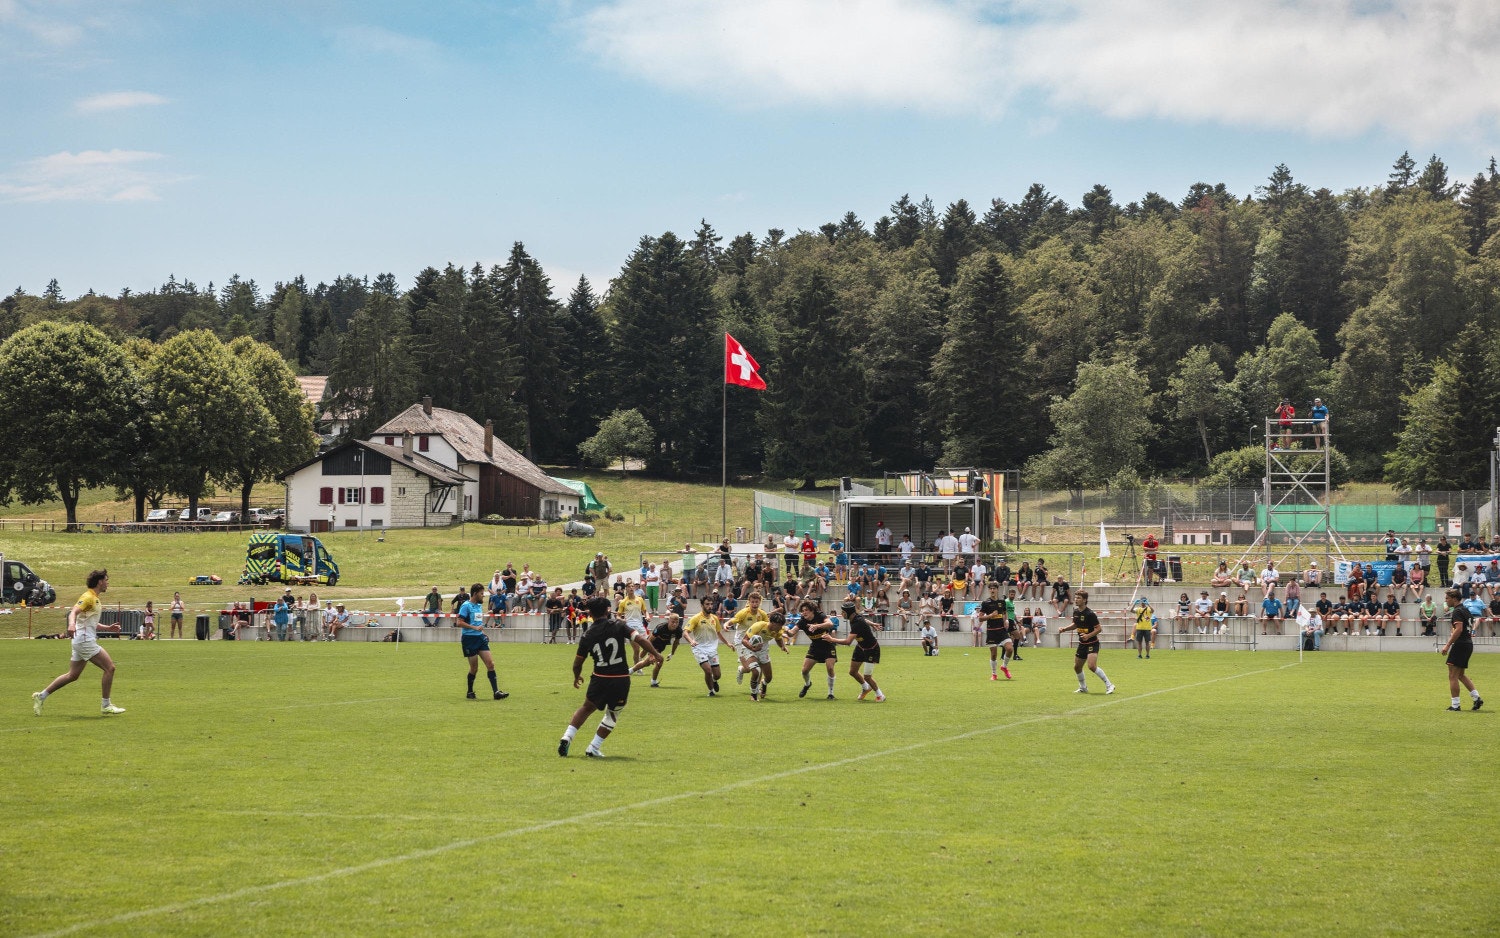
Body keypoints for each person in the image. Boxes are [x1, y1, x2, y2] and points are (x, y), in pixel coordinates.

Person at [559, 597, 660, 758]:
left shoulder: (587, 635)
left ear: (590, 614)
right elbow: (640, 639)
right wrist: (656, 654)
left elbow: (577, 663)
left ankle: (567, 736)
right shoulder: (618, 625)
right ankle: (593, 747)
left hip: (599, 678)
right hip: (620, 679)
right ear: (607, 610)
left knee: (586, 708)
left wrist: (576, 676)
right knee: (612, 714)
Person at [32, 570, 126, 716]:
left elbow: (90, 622)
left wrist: (109, 628)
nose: (108, 583)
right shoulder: (88, 597)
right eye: (106, 580)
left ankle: (41, 696)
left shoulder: (95, 598)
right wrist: (71, 625)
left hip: (81, 640)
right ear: (100, 581)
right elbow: (73, 612)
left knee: (72, 675)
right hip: (84, 641)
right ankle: (106, 705)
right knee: (110, 668)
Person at [456, 584, 508, 700]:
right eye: (481, 593)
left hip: (480, 638)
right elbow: (459, 622)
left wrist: (482, 633)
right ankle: (470, 691)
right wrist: (474, 628)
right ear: (475, 594)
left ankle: (496, 692)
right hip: (469, 639)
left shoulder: (479, 606)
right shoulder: (466, 606)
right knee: (474, 668)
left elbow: (478, 624)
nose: (483, 595)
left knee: (491, 664)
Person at [1058, 590, 1114, 694]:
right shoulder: (1076, 612)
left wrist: (1088, 636)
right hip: (1082, 644)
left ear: (1084, 600)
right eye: (1075, 597)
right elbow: (1075, 624)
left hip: (1092, 643)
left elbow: (1098, 629)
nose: (1076, 599)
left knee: (1091, 666)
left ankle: (1109, 685)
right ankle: (1083, 687)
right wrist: (1064, 629)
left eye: (1078, 598)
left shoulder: (1090, 614)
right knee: (1077, 667)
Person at [1440, 589, 1484, 712]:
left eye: (1447, 598)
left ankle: (1455, 705)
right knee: (1460, 675)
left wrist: (1448, 645)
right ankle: (1477, 698)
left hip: (1460, 644)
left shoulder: (1457, 611)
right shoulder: (1465, 610)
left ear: (1454, 598)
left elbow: (1458, 630)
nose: (1446, 600)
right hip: (1467, 643)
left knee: (1452, 675)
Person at [833, 601, 886, 701]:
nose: (842, 614)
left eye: (843, 612)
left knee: (867, 676)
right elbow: (864, 619)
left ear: (849, 613)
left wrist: (832, 640)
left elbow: (848, 641)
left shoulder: (857, 623)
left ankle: (880, 695)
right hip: (861, 647)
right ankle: (866, 688)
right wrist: (873, 624)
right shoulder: (855, 617)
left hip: (871, 649)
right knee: (852, 672)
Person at [683, 598, 732, 696]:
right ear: (702, 605)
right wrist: (691, 641)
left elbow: (718, 633)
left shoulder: (715, 618)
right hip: (699, 648)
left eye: (711, 604)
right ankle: (711, 691)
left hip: (712, 649)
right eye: (707, 604)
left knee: (717, 675)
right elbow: (685, 632)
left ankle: (714, 680)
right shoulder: (696, 618)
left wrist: (727, 643)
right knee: (708, 670)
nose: (710, 606)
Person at [794, 598, 841, 699]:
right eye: (802, 611)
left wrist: (817, 626)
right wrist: (785, 632)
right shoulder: (802, 621)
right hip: (815, 646)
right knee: (804, 671)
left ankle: (830, 693)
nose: (804, 612)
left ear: (812, 610)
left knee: (830, 668)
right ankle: (807, 684)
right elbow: (792, 631)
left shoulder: (820, 615)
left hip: (828, 644)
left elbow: (830, 624)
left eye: (806, 610)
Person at [739, 610, 790, 701]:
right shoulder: (759, 626)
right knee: (756, 671)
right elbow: (744, 640)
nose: (780, 628)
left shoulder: (778, 629)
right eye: (779, 625)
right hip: (749, 649)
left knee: (769, 678)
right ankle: (753, 694)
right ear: (772, 623)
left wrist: (782, 646)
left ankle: (764, 683)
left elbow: (778, 638)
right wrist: (753, 648)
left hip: (763, 651)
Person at [980, 584, 1014, 681]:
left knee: (1010, 649)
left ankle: (1004, 666)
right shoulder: (985, 603)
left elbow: (1004, 612)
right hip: (992, 631)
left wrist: (1006, 620)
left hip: (1002, 630)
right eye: (990, 589)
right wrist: (990, 615)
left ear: (997, 590)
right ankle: (994, 674)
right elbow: (980, 618)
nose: (992, 590)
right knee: (994, 654)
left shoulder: (1002, 601)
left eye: (994, 588)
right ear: (989, 590)